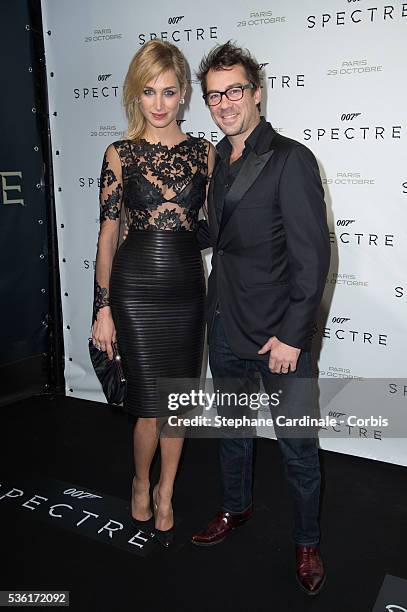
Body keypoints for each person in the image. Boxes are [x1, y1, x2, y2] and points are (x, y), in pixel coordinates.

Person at [192, 42, 330, 595]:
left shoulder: (290, 159)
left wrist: (292, 338)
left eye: (234, 90)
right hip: (224, 325)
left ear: (255, 93)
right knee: (231, 433)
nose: (224, 103)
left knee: (297, 448)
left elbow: (312, 259)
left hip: (278, 336)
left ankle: (306, 542)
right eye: (213, 95)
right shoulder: (217, 163)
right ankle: (235, 508)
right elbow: (216, 238)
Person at [91, 40, 215, 547]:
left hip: (186, 289)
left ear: (183, 94)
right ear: (135, 94)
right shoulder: (119, 155)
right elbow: (106, 235)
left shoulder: (206, 154)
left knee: (178, 404)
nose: (159, 103)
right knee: (147, 405)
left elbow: (216, 227)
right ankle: (141, 480)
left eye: (168, 92)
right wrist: (103, 307)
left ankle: (166, 491)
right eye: (149, 92)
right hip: (135, 290)